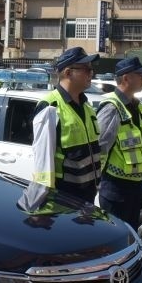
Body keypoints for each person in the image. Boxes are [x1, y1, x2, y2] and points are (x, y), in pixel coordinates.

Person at [31, 47, 102, 204]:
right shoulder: (50, 106)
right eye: (86, 69)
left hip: (88, 194)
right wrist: (43, 200)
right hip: (63, 197)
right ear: (68, 73)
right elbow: (42, 160)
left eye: (91, 69)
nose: (91, 73)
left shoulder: (86, 106)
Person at [95, 56, 142, 229]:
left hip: (134, 187)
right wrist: (96, 184)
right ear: (126, 78)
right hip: (115, 189)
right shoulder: (112, 107)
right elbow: (99, 147)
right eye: (140, 74)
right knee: (114, 238)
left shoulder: (136, 106)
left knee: (129, 236)